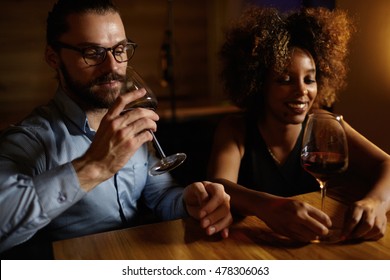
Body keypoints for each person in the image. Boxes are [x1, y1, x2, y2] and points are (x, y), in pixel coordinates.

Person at [0, 0, 232, 258]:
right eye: (92, 52)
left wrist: (189, 203)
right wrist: (94, 166)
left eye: (119, 49)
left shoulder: (129, 124)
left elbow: (161, 195)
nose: (112, 66)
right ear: (53, 58)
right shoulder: (29, 139)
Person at [208, 6, 390, 243]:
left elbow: (386, 163)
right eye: (285, 79)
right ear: (258, 83)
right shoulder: (236, 128)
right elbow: (218, 185)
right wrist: (269, 207)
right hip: (254, 249)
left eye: (309, 79)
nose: (302, 90)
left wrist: (376, 201)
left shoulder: (324, 123)